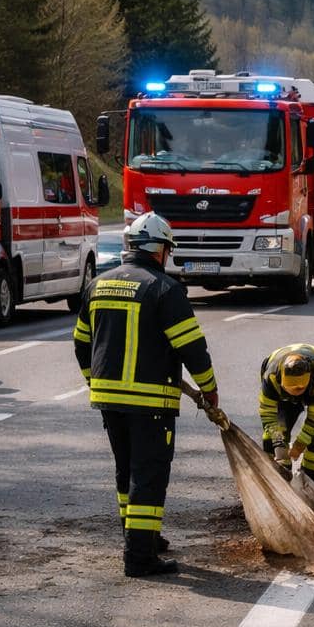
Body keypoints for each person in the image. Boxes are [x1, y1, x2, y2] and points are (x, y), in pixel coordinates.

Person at [73, 213, 218, 578]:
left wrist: (95, 382)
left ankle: (139, 536)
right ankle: (140, 556)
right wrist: (209, 389)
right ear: (160, 249)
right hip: (150, 401)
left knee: (126, 471)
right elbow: (191, 348)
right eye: (167, 249)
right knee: (149, 475)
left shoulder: (99, 284)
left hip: (108, 398)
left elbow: (81, 343)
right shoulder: (164, 289)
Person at [258, 343, 314, 483]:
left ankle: (309, 481)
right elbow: (268, 414)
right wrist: (278, 444)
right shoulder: (271, 377)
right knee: (277, 429)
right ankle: (274, 478)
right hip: (284, 393)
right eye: (292, 388)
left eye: (300, 389)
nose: (297, 393)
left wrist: (300, 444)